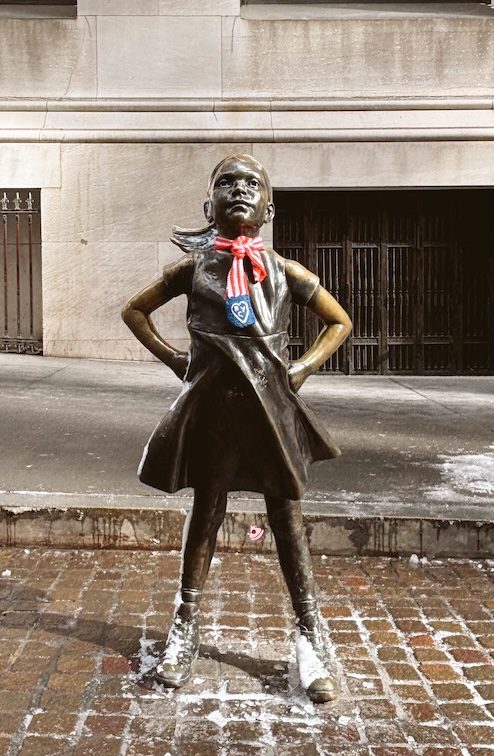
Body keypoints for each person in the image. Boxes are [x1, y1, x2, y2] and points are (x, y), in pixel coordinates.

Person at [121, 154, 351, 703]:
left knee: (286, 517)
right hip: (213, 413)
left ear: (269, 208)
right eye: (227, 183)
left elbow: (339, 321)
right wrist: (178, 361)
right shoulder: (192, 271)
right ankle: (186, 623)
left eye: (252, 184)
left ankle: (309, 631)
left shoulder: (287, 272)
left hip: (270, 412)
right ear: (210, 205)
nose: (239, 190)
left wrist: (300, 370)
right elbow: (134, 311)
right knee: (206, 511)